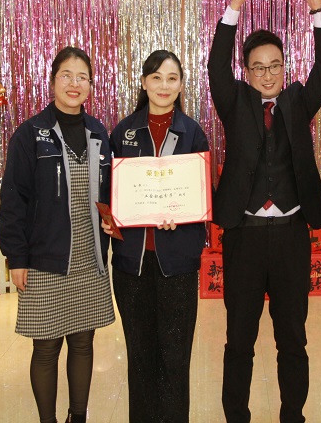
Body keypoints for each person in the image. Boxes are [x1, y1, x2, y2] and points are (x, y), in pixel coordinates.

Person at [207, 0, 321, 423]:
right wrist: (235, 3)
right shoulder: (235, 102)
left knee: (293, 339)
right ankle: (236, 417)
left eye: (275, 66)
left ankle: (292, 416)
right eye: (258, 67)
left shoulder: (299, 101)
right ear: (247, 71)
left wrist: (317, 8)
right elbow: (216, 66)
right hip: (243, 237)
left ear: (284, 67)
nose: (267, 74)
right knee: (239, 341)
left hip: (290, 237)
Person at [0, 46, 115, 423]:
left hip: (89, 259)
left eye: (82, 77)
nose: (74, 83)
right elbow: (13, 199)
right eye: (66, 75)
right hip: (45, 259)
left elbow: (111, 191)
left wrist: (114, 220)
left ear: (91, 85)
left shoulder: (98, 132)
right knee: (46, 348)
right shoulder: (31, 134)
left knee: (83, 343)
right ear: (52, 82)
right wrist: (16, 258)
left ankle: (77, 417)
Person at [104, 50, 209, 423]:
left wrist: (183, 215)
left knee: (176, 356)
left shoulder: (192, 132)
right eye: (157, 78)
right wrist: (110, 220)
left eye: (172, 78)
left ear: (181, 85)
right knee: (140, 355)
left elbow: (203, 195)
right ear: (144, 82)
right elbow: (108, 192)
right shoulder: (124, 132)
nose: (164, 86)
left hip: (177, 263)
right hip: (131, 264)